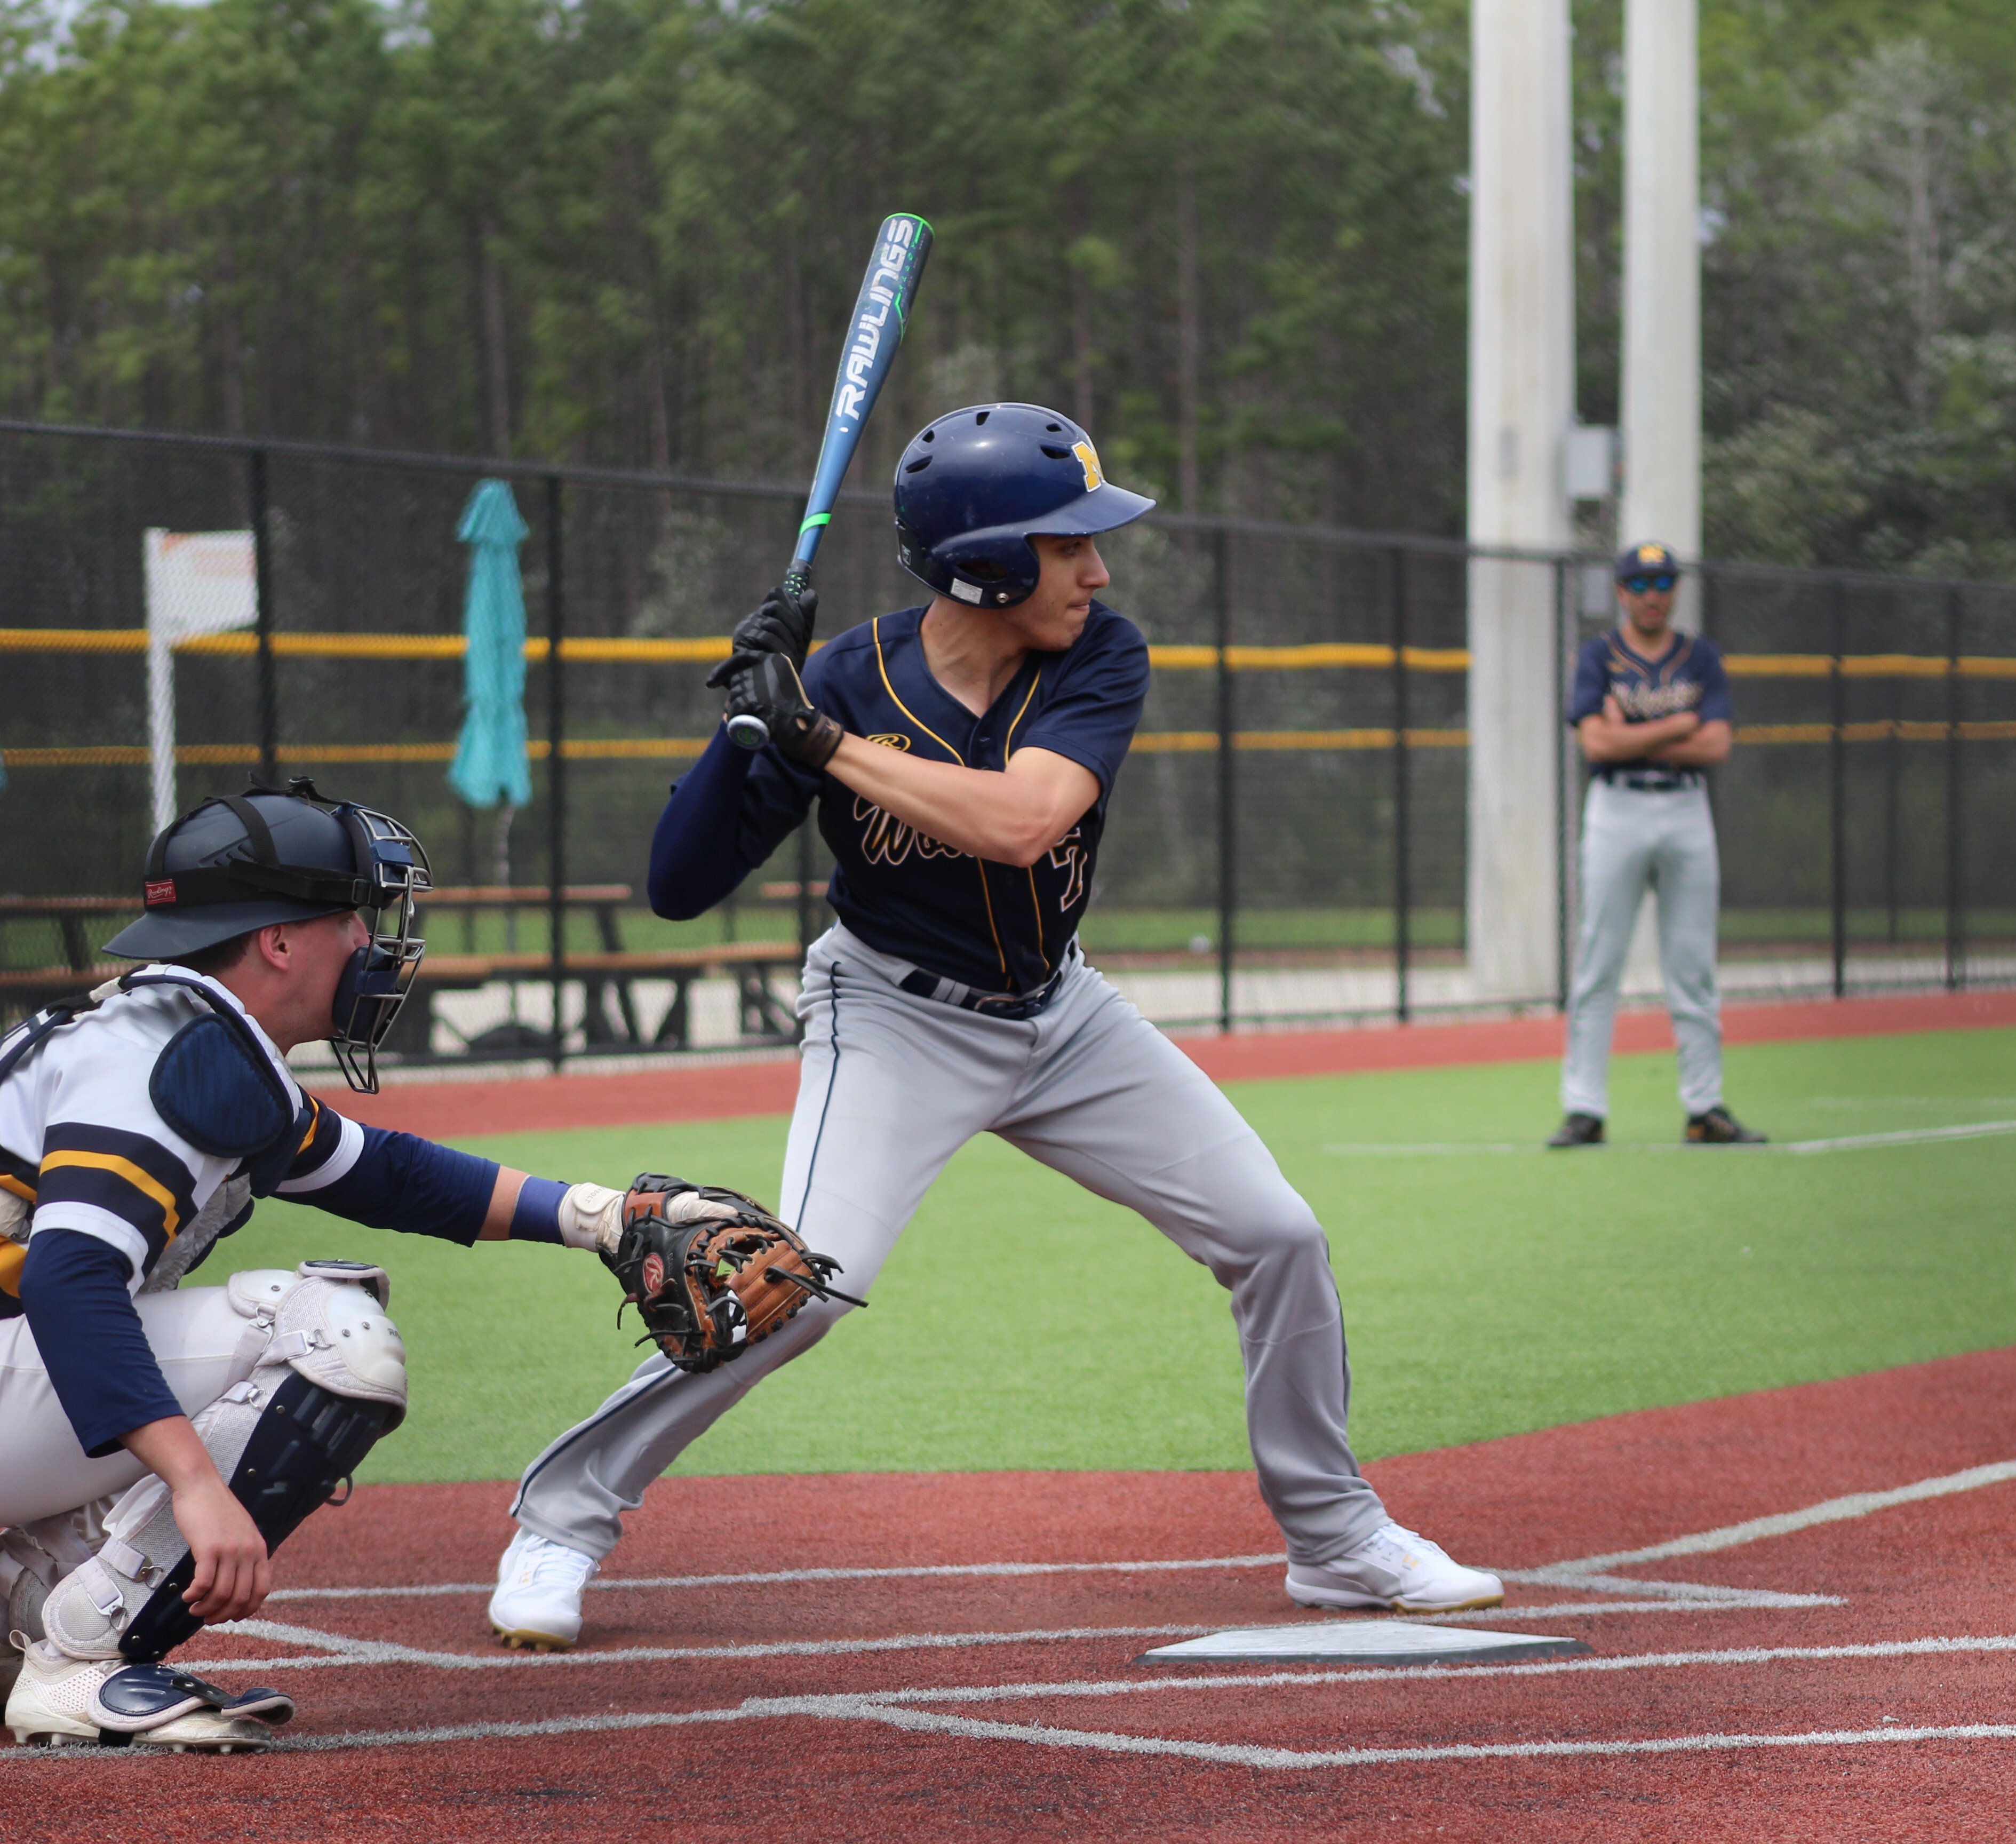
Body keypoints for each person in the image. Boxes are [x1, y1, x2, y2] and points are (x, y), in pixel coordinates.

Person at [487, 403, 1502, 1650]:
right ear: (989, 561)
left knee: (1276, 1232)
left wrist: (820, 738)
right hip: (892, 1013)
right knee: (790, 1288)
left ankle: (1336, 1536)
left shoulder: (1095, 655)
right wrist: (750, 722)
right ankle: (564, 1511)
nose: (1100, 568)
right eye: (1071, 543)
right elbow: (678, 882)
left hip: (1062, 1011)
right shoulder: (846, 678)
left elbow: (1023, 821)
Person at [0, 782, 702, 1751]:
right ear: (280, 941)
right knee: (331, 1331)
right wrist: (199, 1486)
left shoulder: (186, 1042)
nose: (371, 944)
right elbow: (69, 1281)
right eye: (351, 918)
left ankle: (26, 1602)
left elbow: (390, 1175)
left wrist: (602, 1219)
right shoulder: (164, 1062)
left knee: (218, 1336)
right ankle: (84, 1656)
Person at [1548, 542, 1765, 1149]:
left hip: (1683, 807)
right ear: (1620, 592)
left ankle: (1704, 1107)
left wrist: (1632, 733)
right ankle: (1583, 1109)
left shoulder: (1699, 658)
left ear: (1673, 590)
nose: (1650, 594)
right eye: (1638, 584)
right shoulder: (1598, 656)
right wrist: (1676, 725)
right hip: (1616, 808)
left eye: (1661, 582)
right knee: (1598, 961)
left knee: (1691, 965)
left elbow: (1716, 746)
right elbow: (1595, 746)